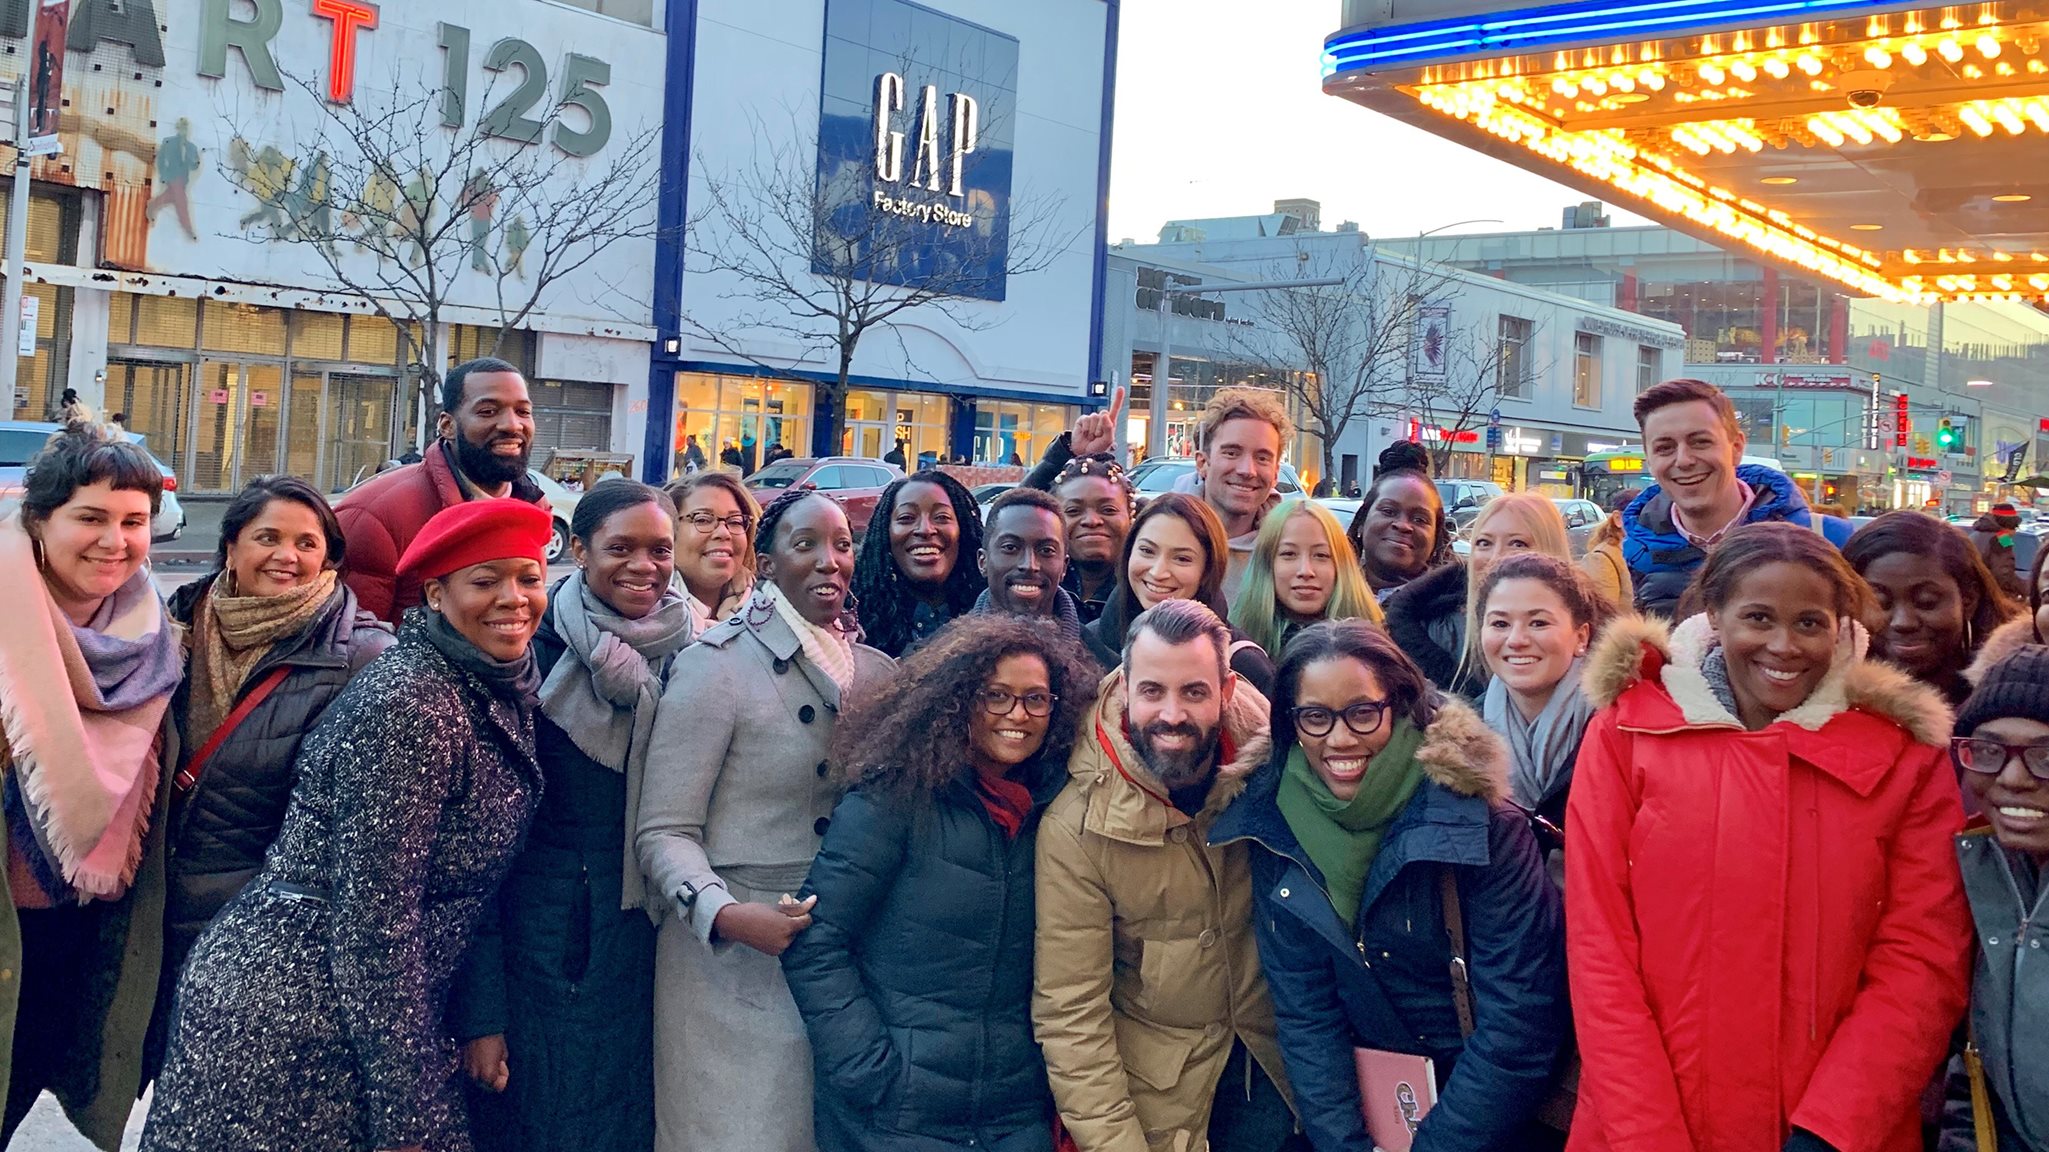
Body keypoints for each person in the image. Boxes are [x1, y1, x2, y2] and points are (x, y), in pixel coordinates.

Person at [142, 498, 555, 1152]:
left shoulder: (493, 682)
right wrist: (407, 1106)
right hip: (292, 1019)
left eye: (528, 578)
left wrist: (481, 1016)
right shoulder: (412, 703)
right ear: (437, 595)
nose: (513, 598)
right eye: (485, 581)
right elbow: (376, 915)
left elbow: (466, 892)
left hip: (357, 1013)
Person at [1568, 522, 1972, 1152]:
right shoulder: (1627, 734)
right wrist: (1645, 1132)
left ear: (1841, 627)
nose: (1784, 646)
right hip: (1639, 1122)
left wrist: (1831, 1130)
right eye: (1758, 617)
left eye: (1809, 622)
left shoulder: (1904, 759)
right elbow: (1600, 950)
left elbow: (1922, 960)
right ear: (1715, 615)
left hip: (1839, 1132)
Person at [1211, 620, 1569, 1152]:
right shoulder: (1273, 823)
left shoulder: (1481, 824)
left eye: (1362, 712)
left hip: (1486, 1110)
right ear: (1291, 723)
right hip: (1371, 1103)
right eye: (1315, 717)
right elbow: (1307, 1015)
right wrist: (1346, 1143)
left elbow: (1519, 1023)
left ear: (1399, 705)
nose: (1339, 738)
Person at [636, 489, 895, 1152]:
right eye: (805, 544)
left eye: (841, 544)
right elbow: (663, 830)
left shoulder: (875, 673)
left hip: (842, 959)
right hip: (729, 961)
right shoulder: (715, 667)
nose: (829, 560)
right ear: (768, 563)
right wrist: (722, 913)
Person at [781, 617, 1095, 1152]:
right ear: (955, 700)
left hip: (1014, 1114)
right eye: (996, 696)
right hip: (897, 1115)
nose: (1017, 715)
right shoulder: (895, 798)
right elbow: (816, 940)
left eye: (1036, 699)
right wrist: (868, 1068)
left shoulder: (1057, 811)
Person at [448, 483, 690, 1152]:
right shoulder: (528, 655)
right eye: (621, 548)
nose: (644, 566)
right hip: (547, 943)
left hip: (649, 933)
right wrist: (482, 1010)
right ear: (577, 549)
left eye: (660, 549)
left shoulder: (695, 654)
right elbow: (479, 856)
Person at [1035, 600, 1295, 1152]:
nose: (1172, 714)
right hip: (1162, 1101)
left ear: (1225, 692)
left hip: (1279, 1073)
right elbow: (1072, 1016)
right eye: (1153, 691)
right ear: (1126, 687)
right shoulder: (1076, 827)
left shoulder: (1276, 767)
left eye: (1194, 692)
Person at [155, 477, 393, 1055]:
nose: (287, 556)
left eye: (307, 544)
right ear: (231, 546)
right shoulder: (171, 627)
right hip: (156, 912)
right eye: (268, 537)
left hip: (267, 935)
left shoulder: (361, 659)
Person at [0, 429, 179, 1148]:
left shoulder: (156, 631)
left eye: (132, 521)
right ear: (40, 521)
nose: (116, 541)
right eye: (91, 518)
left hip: (78, 932)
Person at [335, 357, 548, 625]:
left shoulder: (534, 510)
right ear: (447, 425)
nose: (512, 425)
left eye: (523, 411)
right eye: (487, 411)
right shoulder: (376, 515)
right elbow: (352, 646)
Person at [1938, 645, 2049, 1152]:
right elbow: (1976, 1072)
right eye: (1987, 751)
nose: (2012, 778)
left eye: (2046, 756)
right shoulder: (1987, 869)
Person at [1622, 378, 1854, 617]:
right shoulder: (1631, 557)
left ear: (1737, 448)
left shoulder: (1832, 540)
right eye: (1665, 448)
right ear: (1649, 461)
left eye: (1701, 442)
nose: (1683, 460)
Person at [1083, 492, 1276, 695]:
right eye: (1147, 551)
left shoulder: (1243, 665)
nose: (1158, 572)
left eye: (1182, 559)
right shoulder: (1088, 645)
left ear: (1207, 570)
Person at [1386, 492, 1571, 701]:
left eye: (1517, 543)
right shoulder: (1439, 630)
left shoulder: (1589, 645)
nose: (1495, 557)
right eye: (1484, 543)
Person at [1476, 552, 1611, 826]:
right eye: (1500, 624)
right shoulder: (1462, 737)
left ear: (1581, 637)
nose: (1516, 640)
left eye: (1538, 623)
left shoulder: (1621, 725)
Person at [1844, 511, 2019, 708]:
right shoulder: (2003, 538)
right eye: (1879, 603)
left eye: (1926, 602)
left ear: (1968, 600)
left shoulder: (2014, 693)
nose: (1903, 622)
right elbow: (2007, 564)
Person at [850, 470, 985, 658]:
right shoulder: (854, 621)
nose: (925, 530)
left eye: (941, 517)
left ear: (962, 530)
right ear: (885, 534)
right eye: (906, 518)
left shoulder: (989, 611)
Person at [1231, 499, 1383, 659]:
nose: (1306, 571)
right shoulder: (1233, 650)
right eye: (1289, 554)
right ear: (1266, 563)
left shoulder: (1377, 651)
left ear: (1341, 565)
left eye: (1321, 555)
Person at [1190, 388, 1293, 603]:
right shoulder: (1155, 537)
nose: (1247, 470)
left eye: (1262, 458)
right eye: (1231, 453)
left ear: (1275, 473)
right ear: (1202, 463)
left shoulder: (1290, 554)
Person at [975, 488, 1085, 645]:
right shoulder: (943, 657)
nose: (1029, 565)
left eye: (1046, 551)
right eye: (1010, 547)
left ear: (1064, 567)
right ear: (982, 561)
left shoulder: (1102, 662)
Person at [1347, 441, 1455, 600]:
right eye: (1388, 511)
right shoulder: (1322, 596)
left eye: (1420, 519)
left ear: (1436, 537)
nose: (1403, 525)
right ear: (1362, 520)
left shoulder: (1458, 611)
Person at [666, 470, 760, 630]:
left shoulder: (773, 613)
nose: (724, 533)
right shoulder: (640, 616)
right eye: (702, 519)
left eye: (735, 521)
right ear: (668, 530)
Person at [1048, 453, 1135, 622]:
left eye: (1108, 510)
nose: (1092, 521)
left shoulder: (1147, 589)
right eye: (1073, 511)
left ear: (1131, 517)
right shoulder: (1038, 581)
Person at [1579, 488, 1638, 613]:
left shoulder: (1647, 552)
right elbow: (1601, 617)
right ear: (1618, 519)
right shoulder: (1602, 558)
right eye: (1639, 516)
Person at [1966, 502, 2029, 602]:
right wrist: (2027, 589)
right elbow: (2004, 573)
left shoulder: (1976, 534)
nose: (2015, 533)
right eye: (2015, 527)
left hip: (1971, 594)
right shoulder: (2002, 538)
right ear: (2008, 525)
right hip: (1990, 598)